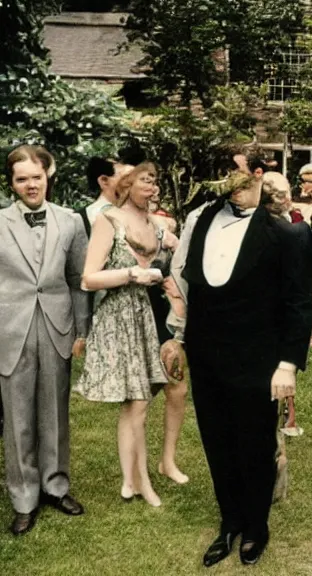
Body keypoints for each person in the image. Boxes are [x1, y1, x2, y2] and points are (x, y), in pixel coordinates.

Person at [169, 169, 312, 566]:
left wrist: (287, 365)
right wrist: (178, 337)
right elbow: (188, 286)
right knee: (218, 441)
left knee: (254, 443)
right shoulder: (200, 221)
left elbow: (299, 304)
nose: (229, 181)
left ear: (258, 173)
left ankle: (256, 526)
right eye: (221, 173)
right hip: (206, 353)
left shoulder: (287, 234)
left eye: (237, 171)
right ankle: (229, 521)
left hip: (259, 358)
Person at [78, 160, 191, 487]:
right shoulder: (103, 218)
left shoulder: (156, 222)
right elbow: (89, 276)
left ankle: (167, 460)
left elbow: (178, 260)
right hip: (127, 313)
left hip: (161, 312)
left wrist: (173, 255)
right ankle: (134, 475)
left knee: (178, 385)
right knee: (140, 397)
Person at [0, 145, 89, 535]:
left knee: (54, 412)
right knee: (18, 418)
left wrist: (81, 330)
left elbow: (77, 280)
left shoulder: (70, 222)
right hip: (10, 330)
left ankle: (56, 485)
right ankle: (23, 497)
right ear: (12, 183)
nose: (30, 185)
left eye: (36, 176)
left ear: (47, 175)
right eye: (22, 179)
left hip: (57, 327)